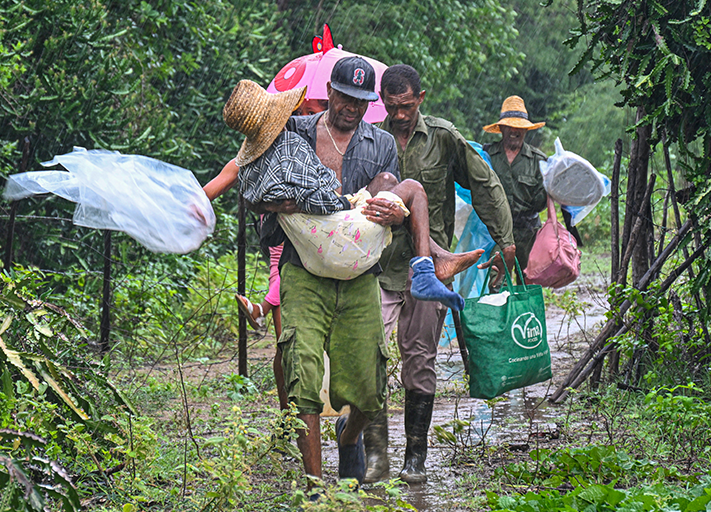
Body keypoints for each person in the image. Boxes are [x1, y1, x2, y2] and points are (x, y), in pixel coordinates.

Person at [233, 57, 478, 487]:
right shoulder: (294, 133)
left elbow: (394, 213)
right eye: (346, 97)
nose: (353, 107)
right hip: (304, 271)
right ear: (330, 90)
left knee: (370, 383)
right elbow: (252, 191)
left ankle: (349, 440)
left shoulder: (380, 144)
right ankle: (314, 487)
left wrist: (393, 214)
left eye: (363, 101)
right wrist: (278, 204)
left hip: (359, 271)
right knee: (303, 373)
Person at [369, 64, 518, 484]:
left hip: (429, 270)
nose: (399, 115)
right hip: (376, 268)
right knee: (369, 359)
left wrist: (504, 242)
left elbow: (484, 185)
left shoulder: (444, 138)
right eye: (391, 107)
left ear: (421, 98)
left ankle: (415, 455)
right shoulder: (371, 140)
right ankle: (376, 455)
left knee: (419, 361)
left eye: (406, 106)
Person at [204, 97, 328, 412]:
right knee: (287, 345)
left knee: (299, 344)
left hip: (321, 250)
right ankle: (291, 419)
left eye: (310, 113)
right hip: (286, 253)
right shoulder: (257, 159)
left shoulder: (308, 148)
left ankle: (298, 416)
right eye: (302, 113)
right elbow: (211, 189)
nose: (304, 118)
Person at [481, 96, 548, 274]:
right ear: (502, 128)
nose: (514, 131)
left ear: (525, 130)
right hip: (496, 234)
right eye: (510, 126)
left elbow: (544, 200)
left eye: (520, 127)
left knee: (528, 282)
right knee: (496, 282)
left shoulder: (538, 160)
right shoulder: (487, 156)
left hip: (528, 233)